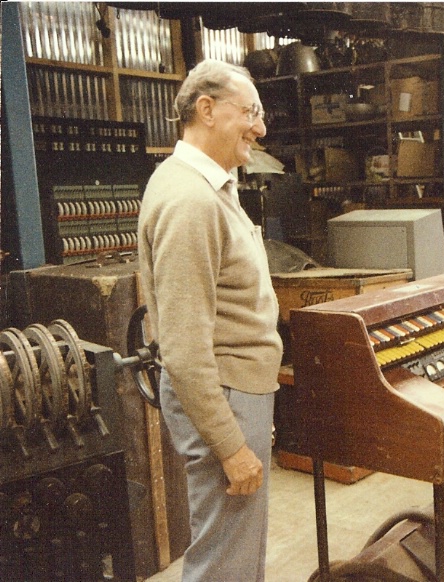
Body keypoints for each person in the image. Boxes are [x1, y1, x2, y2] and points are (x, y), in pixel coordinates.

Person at [137, 59, 283, 582]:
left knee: (236, 552)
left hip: (236, 390)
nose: (260, 128)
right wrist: (230, 444)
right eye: (249, 112)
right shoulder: (190, 200)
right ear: (207, 110)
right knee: (225, 562)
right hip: (222, 393)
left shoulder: (210, 187)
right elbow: (182, 346)